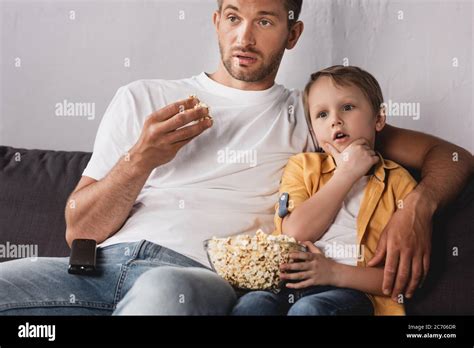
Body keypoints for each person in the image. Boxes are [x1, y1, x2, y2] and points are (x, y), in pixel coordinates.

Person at [0, 0, 471, 315]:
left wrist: (418, 208)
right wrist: (140, 159)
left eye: (265, 20)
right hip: (92, 270)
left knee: (162, 297)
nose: (244, 36)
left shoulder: (314, 115)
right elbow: (79, 230)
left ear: (292, 33)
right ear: (216, 21)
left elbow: (448, 156)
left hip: (191, 278)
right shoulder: (143, 97)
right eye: (232, 16)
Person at [232, 65, 417, 315]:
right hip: (287, 286)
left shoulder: (400, 183)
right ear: (314, 133)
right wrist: (346, 174)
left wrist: (331, 272)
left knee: (310, 309)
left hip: (353, 294)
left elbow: (399, 280)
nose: (335, 120)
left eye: (348, 107)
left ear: (379, 119)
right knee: (252, 305)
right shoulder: (303, 167)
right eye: (322, 114)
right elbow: (294, 233)